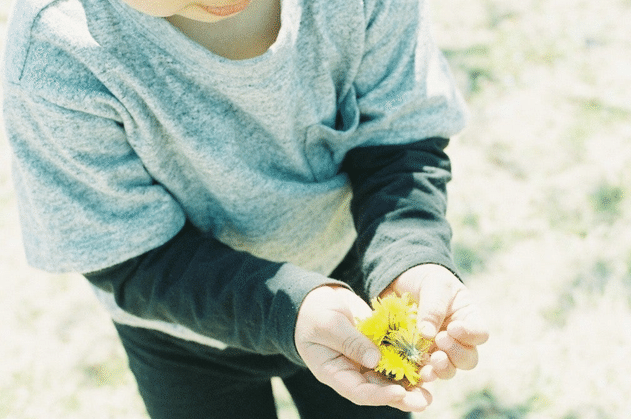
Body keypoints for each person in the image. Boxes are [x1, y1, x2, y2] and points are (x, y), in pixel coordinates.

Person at [3, 0, 489, 416]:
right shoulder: (55, 55)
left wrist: (411, 250)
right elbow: (128, 256)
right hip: (184, 338)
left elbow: (396, 138)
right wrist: (290, 309)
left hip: (354, 286)